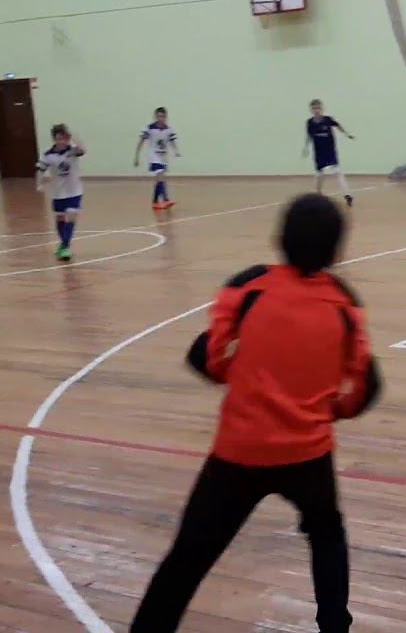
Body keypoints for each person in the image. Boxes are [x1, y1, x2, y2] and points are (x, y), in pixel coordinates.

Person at [129, 193, 381, 633]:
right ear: (337, 250)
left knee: (188, 558)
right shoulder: (345, 304)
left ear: (280, 239)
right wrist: (333, 409)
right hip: (309, 455)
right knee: (326, 534)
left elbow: (208, 358)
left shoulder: (247, 286)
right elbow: (366, 386)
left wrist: (242, 375)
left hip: (238, 453)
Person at [35, 124, 86, 262]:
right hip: (58, 193)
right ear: (54, 139)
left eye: (64, 138)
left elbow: (83, 149)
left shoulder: (72, 151)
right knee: (60, 219)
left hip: (74, 191)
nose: (61, 141)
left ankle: (65, 246)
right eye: (58, 139)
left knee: (71, 216)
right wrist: (39, 184)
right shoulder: (48, 155)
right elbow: (40, 170)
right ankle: (63, 244)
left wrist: (73, 135)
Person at [305, 99, 355, 207]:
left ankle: (347, 195)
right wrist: (306, 147)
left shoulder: (328, 120)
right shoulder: (309, 123)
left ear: (322, 109)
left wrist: (347, 134)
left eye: (318, 108)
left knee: (337, 172)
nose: (316, 110)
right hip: (319, 152)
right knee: (319, 175)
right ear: (311, 110)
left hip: (330, 151)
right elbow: (309, 136)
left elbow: (338, 126)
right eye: (314, 108)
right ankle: (317, 195)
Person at [134, 106, 180, 210]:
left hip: (163, 157)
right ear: (155, 117)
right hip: (154, 157)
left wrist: (176, 151)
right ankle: (166, 199)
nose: (160, 118)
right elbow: (141, 142)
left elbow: (172, 141)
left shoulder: (169, 130)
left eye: (162, 116)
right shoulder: (150, 128)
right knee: (160, 177)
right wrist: (137, 156)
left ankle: (155, 202)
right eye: (158, 116)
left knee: (159, 180)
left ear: (165, 117)